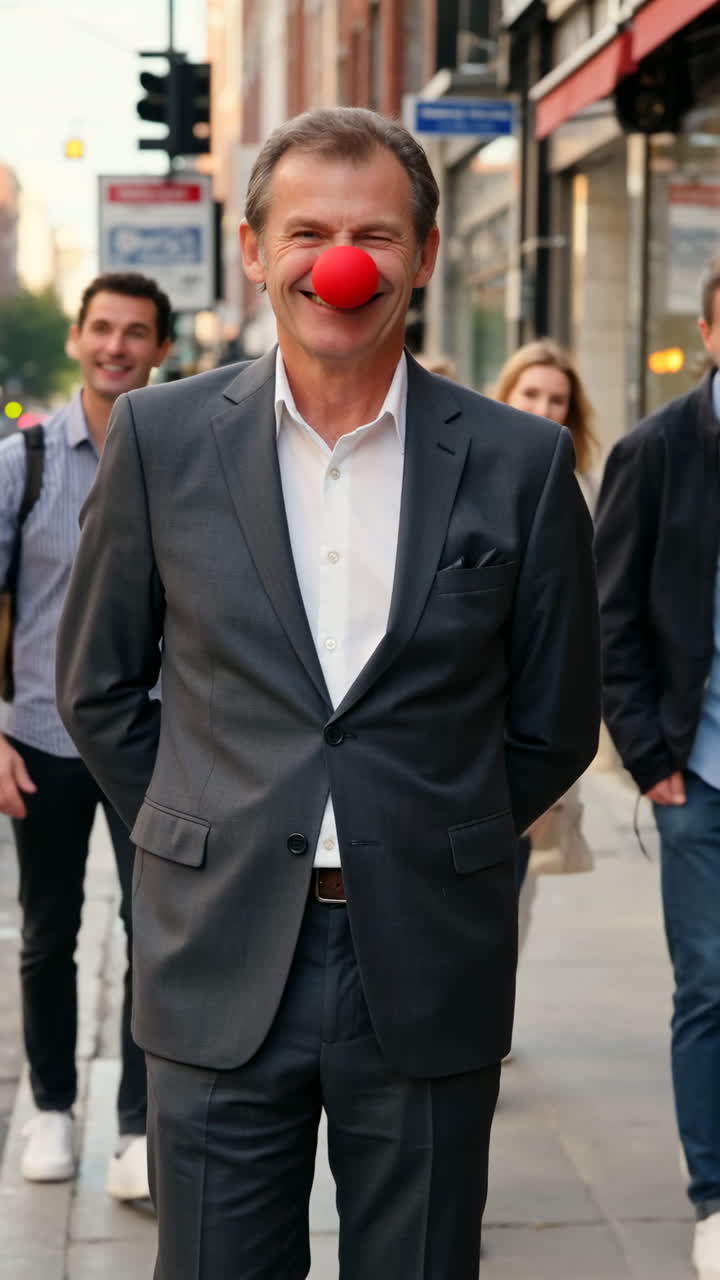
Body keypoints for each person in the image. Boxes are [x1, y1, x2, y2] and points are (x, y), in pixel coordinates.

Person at [56, 108, 600, 1279]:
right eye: (307, 231)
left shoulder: (519, 460)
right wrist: (210, 822)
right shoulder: (163, 436)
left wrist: (437, 828)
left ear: (426, 253)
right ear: (254, 251)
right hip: (217, 955)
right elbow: (99, 686)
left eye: (373, 233)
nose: (338, 262)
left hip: (426, 949)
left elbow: (555, 716)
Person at [0, 273, 171, 1200]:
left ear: (161, 349)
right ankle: (54, 1109)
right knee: (47, 930)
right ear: (76, 338)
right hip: (39, 737)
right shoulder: (22, 463)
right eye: (102, 329)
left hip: (155, 744)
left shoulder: (182, 455)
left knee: (156, 931)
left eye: (136, 332)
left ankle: (142, 1128)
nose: (116, 346)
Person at [595, 257, 720, 1280]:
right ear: (710, 332)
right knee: (712, 983)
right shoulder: (657, 451)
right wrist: (650, 758)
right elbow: (611, 616)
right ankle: (715, 1192)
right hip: (701, 773)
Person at [494, 339, 599, 947]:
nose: (542, 407)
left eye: (557, 399)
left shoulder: (578, 487)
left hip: (536, 724)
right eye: (530, 393)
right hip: (462, 726)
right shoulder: (463, 471)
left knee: (513, 885)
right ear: (504, 395)